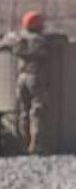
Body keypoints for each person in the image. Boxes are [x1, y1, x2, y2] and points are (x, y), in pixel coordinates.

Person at [0, 10, 48, 154]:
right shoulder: (39, 40)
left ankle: (22, 143)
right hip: (35, 76)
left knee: (23, 112)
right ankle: (36, 145)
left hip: (21, 78)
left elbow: (4, 44)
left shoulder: (17, 38)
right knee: (37, 111)